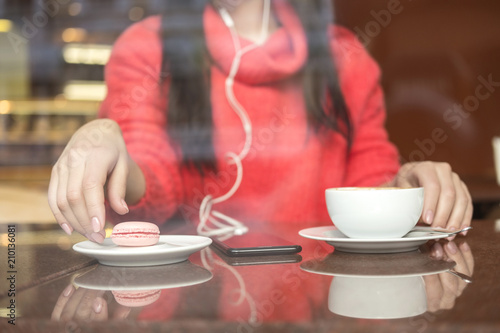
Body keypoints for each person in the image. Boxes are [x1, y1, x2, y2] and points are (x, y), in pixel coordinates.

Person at [47, 0, 472, 243]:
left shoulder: (344, 57)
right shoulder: (147, 46)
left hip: (322, 303)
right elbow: (154, 184)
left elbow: (369, 186)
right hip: (189, 301)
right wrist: (106, 139)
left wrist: (411, 186)